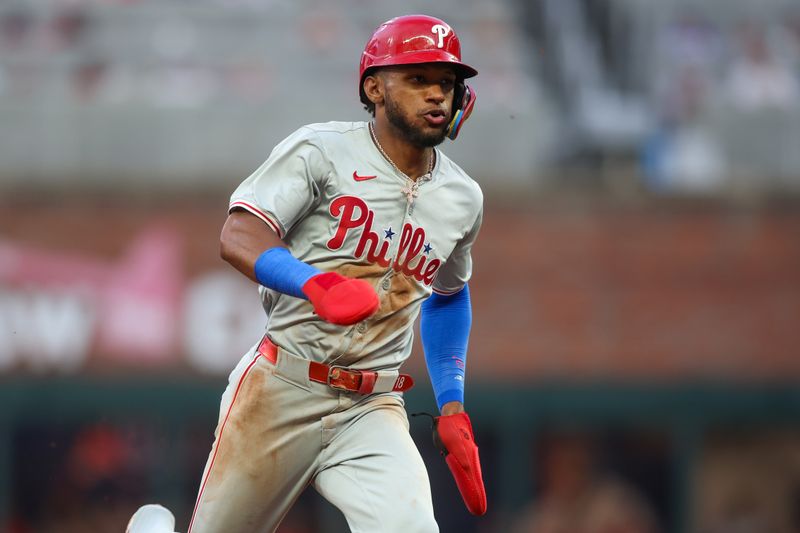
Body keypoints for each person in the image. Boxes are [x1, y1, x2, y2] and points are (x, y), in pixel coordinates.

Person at [127, 14, 486, 533]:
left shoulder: (462, 197)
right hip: (284, 385)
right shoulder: (323, 150)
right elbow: (239, 234)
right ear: (374, 87)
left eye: (446, 83)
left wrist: (452, 404)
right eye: (416, 79)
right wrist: (313, 284)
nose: (436, 95)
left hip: (373, 405)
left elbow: (449, 295)